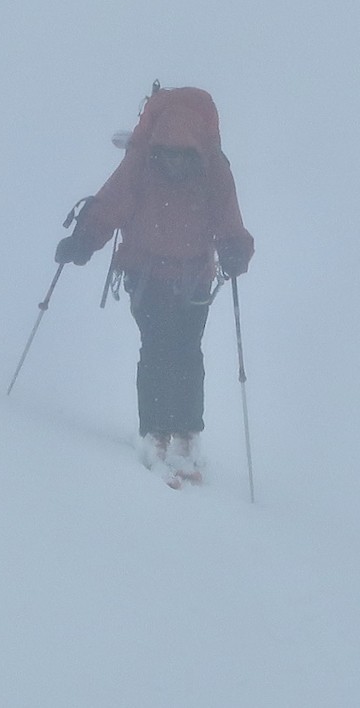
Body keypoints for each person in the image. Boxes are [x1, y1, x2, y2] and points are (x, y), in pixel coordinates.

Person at [54, 85, 254, 484]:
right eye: (170, 154)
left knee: (178, 350)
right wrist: (83, 242)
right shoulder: (187, 165)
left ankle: (174, 434)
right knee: (168, 349)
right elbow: (111, 206)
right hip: (166, 277)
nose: (176, 163)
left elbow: (228, 221)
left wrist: (236, 251)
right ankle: (167, 433)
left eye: (183, 156)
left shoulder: (164, 164)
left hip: (175, 277)